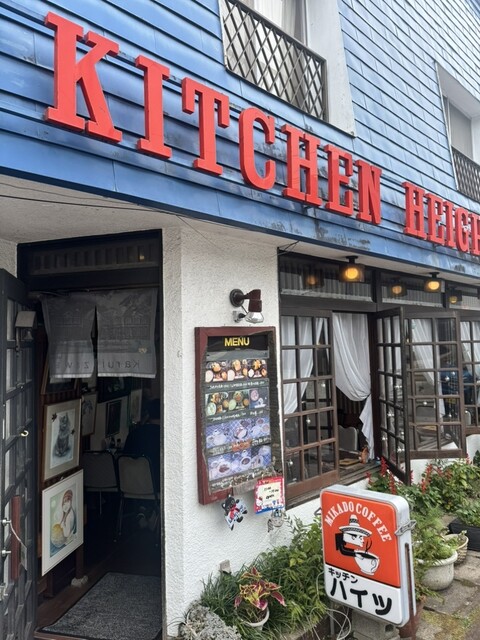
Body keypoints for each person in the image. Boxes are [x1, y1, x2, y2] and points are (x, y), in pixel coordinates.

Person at [122, 398, 161, 530]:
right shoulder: (164, 436)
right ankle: (152, 512)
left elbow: (125, 458)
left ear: (148, 414)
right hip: (156, 486)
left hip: (130, 485)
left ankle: (144, 510)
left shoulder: (134, 434)